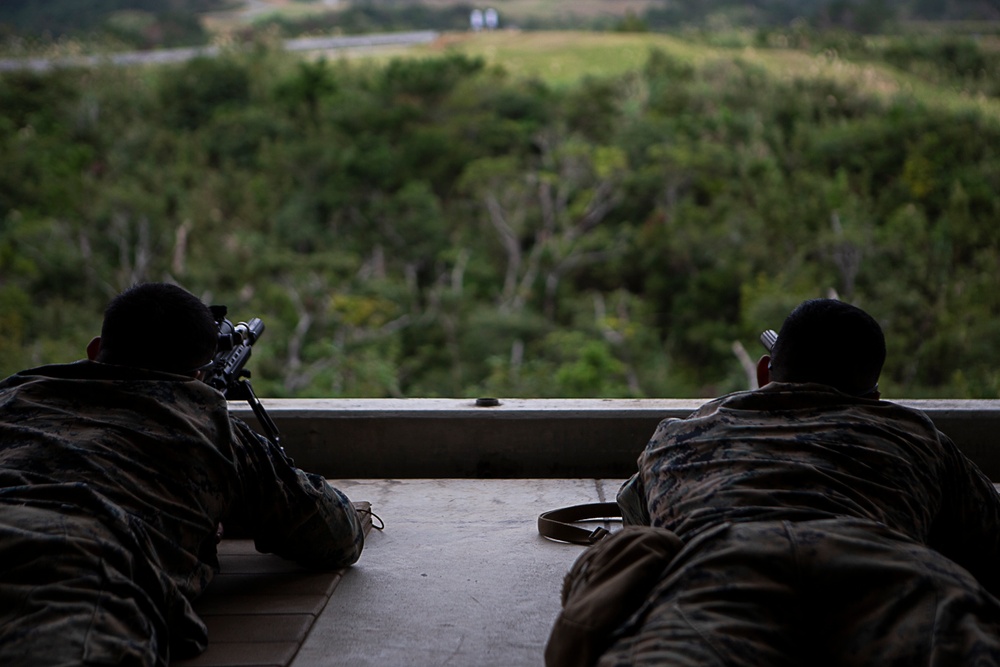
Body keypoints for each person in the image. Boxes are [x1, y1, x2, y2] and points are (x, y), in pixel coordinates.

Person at [603, 298, 1000, 666]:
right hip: (889, 569)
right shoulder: (915, 434)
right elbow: (988, 541)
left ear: (764, 372)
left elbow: (639, 528)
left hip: (718, 569)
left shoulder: (679, 436)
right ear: (874, 396)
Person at [0, 282, 365, 666]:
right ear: (198, 375)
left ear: (95, 351)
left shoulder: (11, 395)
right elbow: (335, 535)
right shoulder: (213, 428)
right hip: (76, 572)